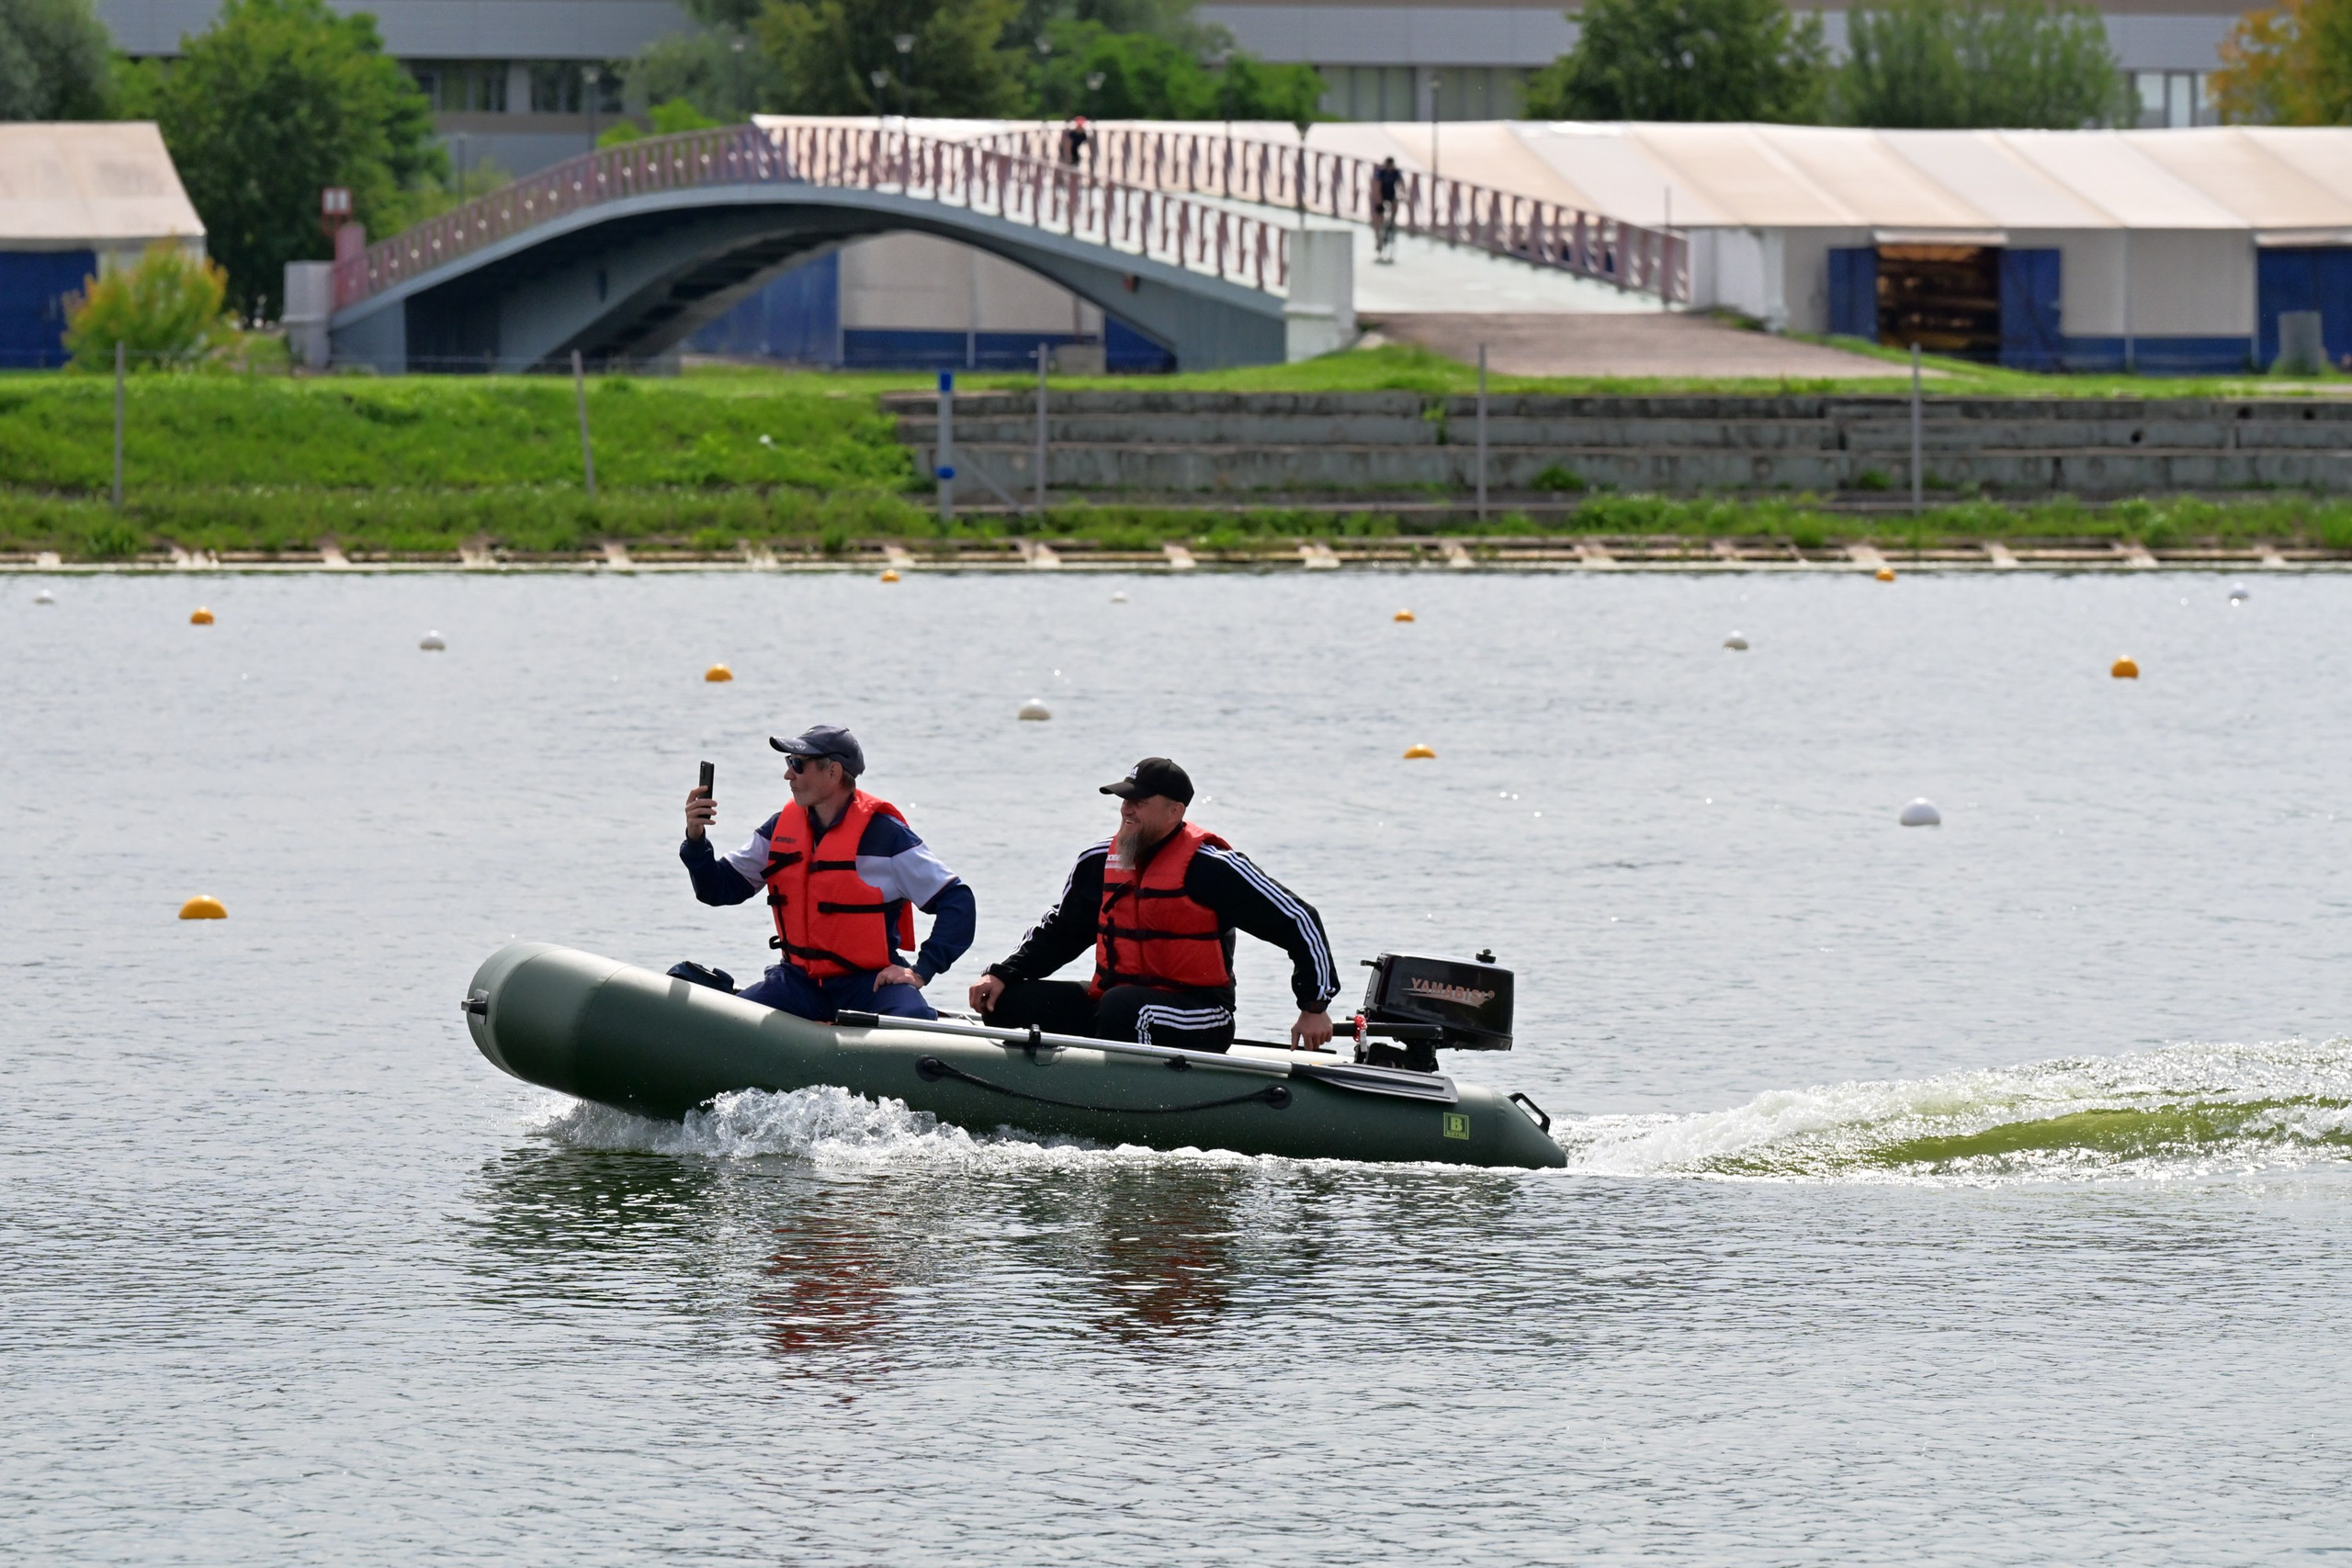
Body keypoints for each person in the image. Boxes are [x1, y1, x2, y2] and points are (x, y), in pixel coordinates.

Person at [967, 758, 1338, 1054]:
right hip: (1117, 1001)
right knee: (1009, 1001)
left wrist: (1314, 1007)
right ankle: (1035, 1094)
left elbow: (1299, 919)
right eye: (1125, 800)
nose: (1127, 810)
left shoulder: (1214, 868)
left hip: (1202, 1013)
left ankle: (1121, 1103)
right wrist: (1002, 974)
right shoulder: (1098, 861)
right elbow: (1062, 932)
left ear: (1174, 811)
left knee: (1126, 1008)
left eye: (1139, 802)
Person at [682, 724, 974, 1022]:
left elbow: (958, 902)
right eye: (788, 763)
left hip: (869, 984)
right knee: (725, 1020)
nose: (788, 774)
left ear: (833, 772)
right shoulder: (779, 829)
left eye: (798, 764)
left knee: (912, 1019)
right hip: (797, 984)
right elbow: (718, 889)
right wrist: (695, 839)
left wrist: (921, 970)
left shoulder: (888, 837)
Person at [1372, 157, 1403, 264]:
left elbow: (1401, 184)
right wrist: (1379, 201)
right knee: (1378, 217)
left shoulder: (1396, 173)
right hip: (1381, 195)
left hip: (1391, 195)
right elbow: (1376, 187)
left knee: (1395, 206)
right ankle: (1378, 238)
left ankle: (1392, 223)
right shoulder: (1380, 173)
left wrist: (1402, 195)